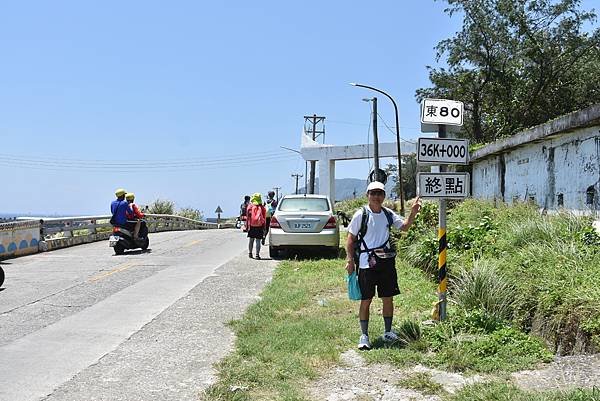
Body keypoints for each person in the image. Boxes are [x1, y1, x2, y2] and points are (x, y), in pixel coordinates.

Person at [345, 181, 421, 350]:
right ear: (367, 195)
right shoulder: (361, 214)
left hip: (385, 262)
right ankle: (364, 335)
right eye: (373, 193)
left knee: (388, 298)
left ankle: (387, 331)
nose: (376, 196)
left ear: (384, 196)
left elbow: (405, 227)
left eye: (380, 193)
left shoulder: (388, 214)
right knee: (366, 299)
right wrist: (350, 260)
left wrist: (413, 212)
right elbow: (350, 239)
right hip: (366, 264)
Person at [246, 192, 266, 259]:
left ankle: (250, 253)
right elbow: (264, 218)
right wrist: (264, 227)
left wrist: (247, 226)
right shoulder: (262, 207)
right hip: (259, 226)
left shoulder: (250, 207)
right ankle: (257, 255)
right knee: (258, 241)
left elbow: (247, 218)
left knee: (251, 240)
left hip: (251, 226)